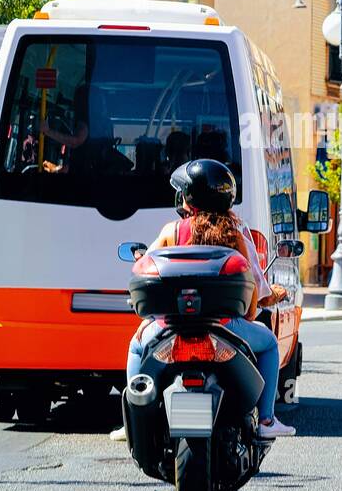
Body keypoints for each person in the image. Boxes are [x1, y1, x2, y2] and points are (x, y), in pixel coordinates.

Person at [114, 159, 294, 441]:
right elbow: (253, 288)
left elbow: (147, 267)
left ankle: (132, 423)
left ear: (189, 198)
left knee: (136, 347)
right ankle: (267, 420)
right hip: (224, 327)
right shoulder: (236, 233)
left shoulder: (171, 231)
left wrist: (149, 319)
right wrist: (252, 311)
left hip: (169, 326)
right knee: (269, 344)